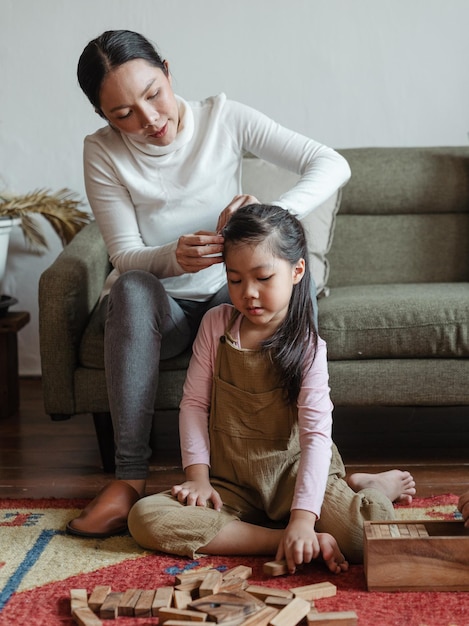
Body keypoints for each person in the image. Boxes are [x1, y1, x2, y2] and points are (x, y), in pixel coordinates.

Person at [67, 29, 352, 538]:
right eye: (123, 114)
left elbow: (332, 163)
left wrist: (271, 214)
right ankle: (128, 478)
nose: (150, 119)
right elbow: (124, 255)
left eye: (153, 93)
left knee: (281, 280)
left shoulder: (224, 117)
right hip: (167, 312)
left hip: (233, 297)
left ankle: (310, 478)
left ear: (169, 72)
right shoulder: (102, 153)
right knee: (130, 286)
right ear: (103, 117)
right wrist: (171, 257)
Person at [128, 204, 416, 571]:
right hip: (232, 481)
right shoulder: (216, 325)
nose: (248, 293)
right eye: (235, 280)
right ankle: (278, 540)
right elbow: (194, 405)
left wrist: (302, 518)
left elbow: (314, 437)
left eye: (263, 278)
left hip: (296, 477)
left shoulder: (308, 347)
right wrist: (197, 479)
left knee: (365, 539)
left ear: (297, 271)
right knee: (146, 517)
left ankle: (369, 486)